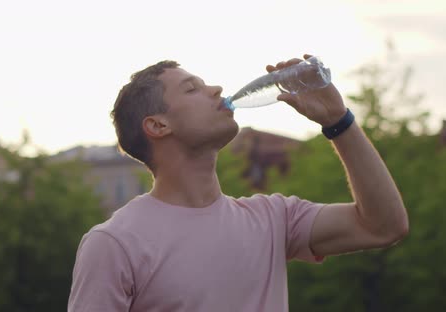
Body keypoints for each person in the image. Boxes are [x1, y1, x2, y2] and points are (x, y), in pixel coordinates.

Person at [67, 55, 409, 312]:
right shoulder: (115, 243)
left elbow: (383, 226)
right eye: (192, 89)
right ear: (158, 125)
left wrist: (339, 121)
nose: (216, 89)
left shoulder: (273, 219)